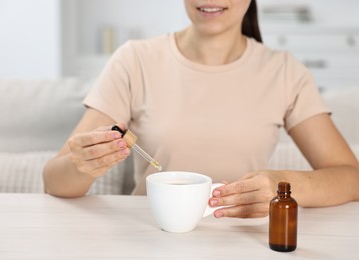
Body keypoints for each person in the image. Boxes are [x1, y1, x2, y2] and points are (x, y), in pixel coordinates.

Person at [43, 0, 359, 218]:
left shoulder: (285, 71)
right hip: (151, 237)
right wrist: (83, 163)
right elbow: (54, 181)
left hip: (245, 240)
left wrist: (283, 187)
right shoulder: (134, 60)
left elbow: (351, 178)